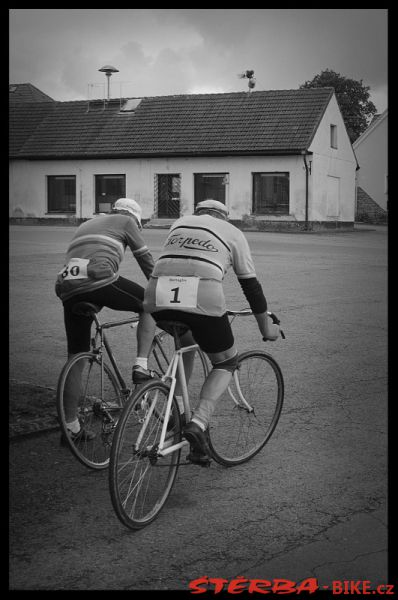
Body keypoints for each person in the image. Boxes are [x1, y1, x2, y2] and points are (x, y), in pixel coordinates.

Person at [143, 199, 280, 463]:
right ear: (223, 217)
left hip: (157, 296)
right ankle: (198, 423)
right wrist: (266, 329)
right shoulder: (233, 233)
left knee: (186, 343)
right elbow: (251, 287)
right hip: (203, 296)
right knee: (226, 361)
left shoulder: (179, 224)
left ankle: (180, 413)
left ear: (198, 213)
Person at [55, 197, 157, 441]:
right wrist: (162, 288)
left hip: (67, 287)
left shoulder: (88, 224)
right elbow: (146, 260)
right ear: (134, 218)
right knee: (149, 305)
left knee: (75, 358)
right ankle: (141, 366)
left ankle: (70, 426)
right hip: (98, 279)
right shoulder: (126, 221)